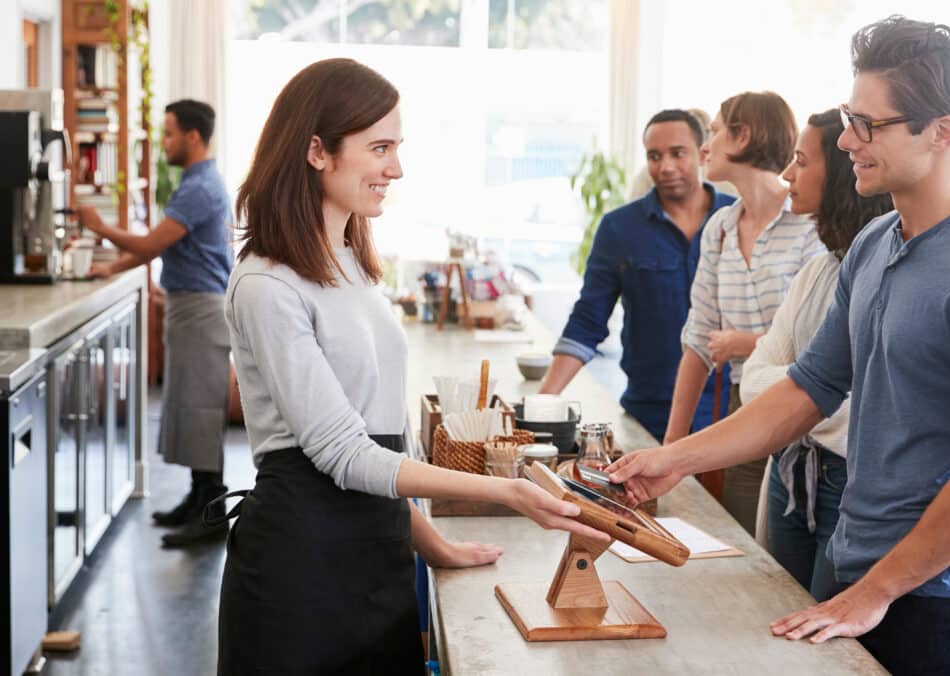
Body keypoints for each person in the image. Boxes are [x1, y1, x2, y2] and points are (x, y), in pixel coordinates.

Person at [609, 16, 950, 675]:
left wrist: (875, 593)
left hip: (943, 592)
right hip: (854, 562)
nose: (849, 139)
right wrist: (675, 458)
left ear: (942, 132)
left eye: (868, 125)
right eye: (849, 119)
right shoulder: (874, 243)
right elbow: (808, 389)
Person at [216, 58, 607, 675]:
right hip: (301, 571)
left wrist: (433, 545)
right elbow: (345, 455)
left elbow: (382, 445)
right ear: (316, 151)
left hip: (377, 554)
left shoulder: (350, 262)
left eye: (396, 148)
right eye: (380, 148)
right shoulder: (267, 284)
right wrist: (509, 489)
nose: (395, 168)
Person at [741, 108, 892, 601]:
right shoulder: (818, 272)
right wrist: (814, 393)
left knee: (828, 628)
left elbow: (869, 406)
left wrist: (799, 398)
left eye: (802, 162)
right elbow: (752, 381)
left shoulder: (887, 273)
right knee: (778, 616)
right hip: (793, 472)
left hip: (848, 482)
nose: (788, 174)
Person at [77, 99, 235, 548]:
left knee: (201, 411)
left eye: (168, 133)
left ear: (192, 136)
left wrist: (98, 227)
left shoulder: (200, 188)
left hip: (201, 312)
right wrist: (111, 268)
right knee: (190, 407)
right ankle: (198, 499)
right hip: (193, 309)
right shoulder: (197, 183)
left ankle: (212, 514)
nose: (162, 142)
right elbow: (164, 246)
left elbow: (150, 245)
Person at [666, 91, 824, 536]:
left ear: (744, 135)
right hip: (743, 408)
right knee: (741, 547)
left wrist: (744, 344)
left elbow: (824, 339)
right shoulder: (719, 229)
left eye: (715, 131)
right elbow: (698, 339)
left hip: (808, 414)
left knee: (792, 555)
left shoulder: (813, 225)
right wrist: (671, 449)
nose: (705, 146)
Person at [539, 109, 735, 442]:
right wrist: (543, 404)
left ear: (703, 153)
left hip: (728, 412)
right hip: (649, 414)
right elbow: (587, 321)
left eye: (678, 153)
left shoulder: (736, 219)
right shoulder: (619, 228)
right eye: (654, 156)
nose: (665, 166)